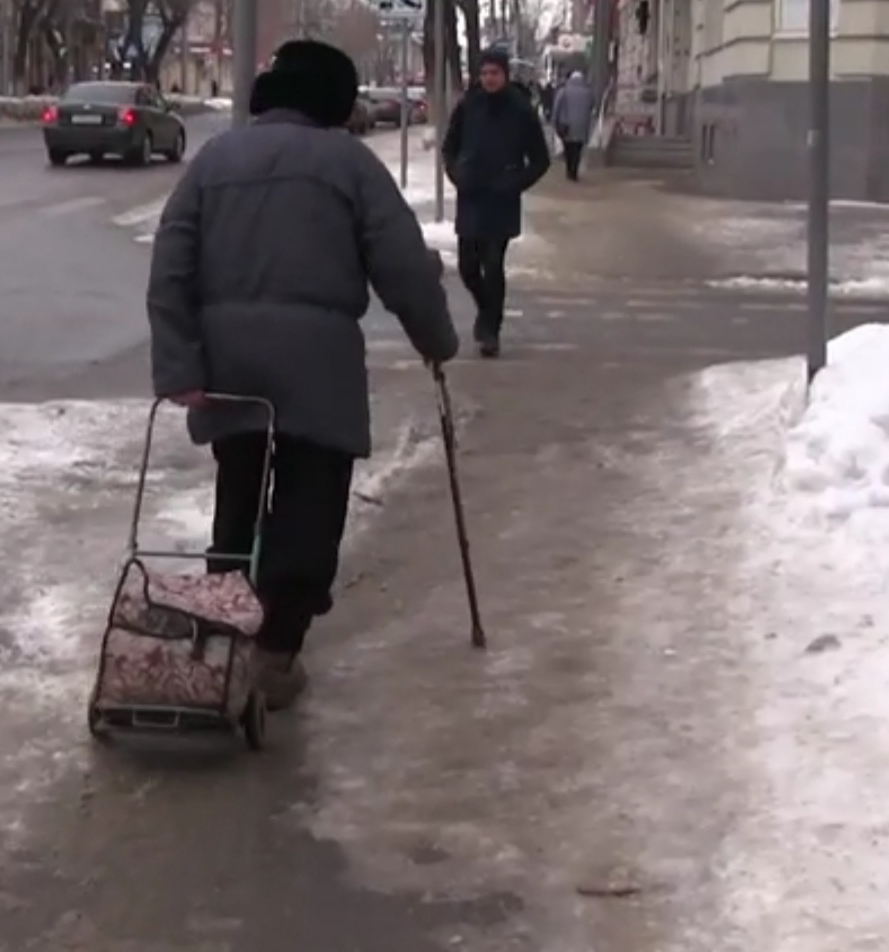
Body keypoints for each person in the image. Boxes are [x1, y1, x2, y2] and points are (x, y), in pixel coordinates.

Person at [147, 38, 459, 711]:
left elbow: (169, 266)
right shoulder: (349, 164)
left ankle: (224, 629)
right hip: (317, 365)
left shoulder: (214, 161)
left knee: (237, 496)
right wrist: (435, 339)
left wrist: (179, 365)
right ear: (334, 102)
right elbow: (402, 264)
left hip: (228, 364)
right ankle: (276, 651)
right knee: (310, 506)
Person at [441, 47, 550, 358]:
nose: (489, 79)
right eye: (484, 73)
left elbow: (541, 160)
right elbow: (449, 147)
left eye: (495, 73)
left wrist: (516, 182)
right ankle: (487, 310)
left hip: (501, 200)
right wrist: (455, 172)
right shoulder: (468, 106)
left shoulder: (520, 109)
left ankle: (491, 331)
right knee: (467, 267)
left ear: (505, 74)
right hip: (471, 195)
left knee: (492, 264)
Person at [552, 70, 594, 182]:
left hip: (566, 125)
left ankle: (569, 170)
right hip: (582, 125)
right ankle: (574, 171)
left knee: (568, 148)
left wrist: (554, 122)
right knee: (577, 149)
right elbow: (591, 106)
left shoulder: (563, 91)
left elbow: (557, 108)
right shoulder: (588, 92)